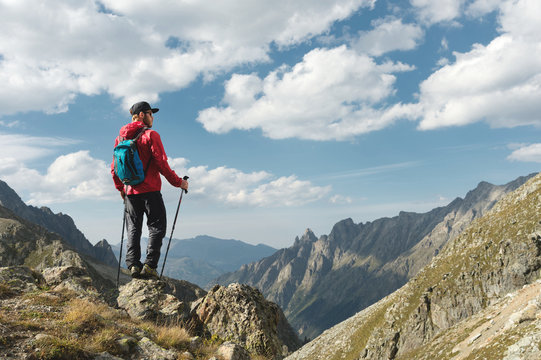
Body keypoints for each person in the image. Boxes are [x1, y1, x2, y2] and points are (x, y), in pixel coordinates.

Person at [111, 101, 188, 279]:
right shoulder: (151, 135)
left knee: (133, 228)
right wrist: (179, 183)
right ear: (141, 115)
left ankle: (133, 265)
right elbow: (161, 163)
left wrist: (121, 189)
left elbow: (114, 168)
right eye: (150, 113)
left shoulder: (120, 139)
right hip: (151, 190)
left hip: (130, 192)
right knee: (157, 226)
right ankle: (150, 266)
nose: (153, 117)